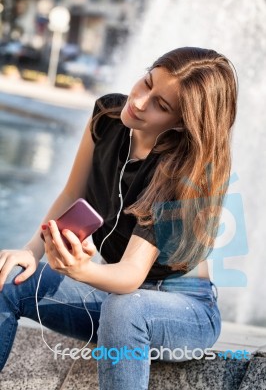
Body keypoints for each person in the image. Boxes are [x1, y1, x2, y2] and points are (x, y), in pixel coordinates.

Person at [0, 47, 237, 389]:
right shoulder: (108, 115)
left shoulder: (183, 171)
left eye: (162, 105)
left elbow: (130, 276)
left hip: (183, 310)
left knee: (126, 309)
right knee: (9, 278)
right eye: (147, 82)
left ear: (184, 123)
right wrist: (31, 252)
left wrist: (81, 270)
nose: (140, 102)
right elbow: (72, 194)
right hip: (113, 300)